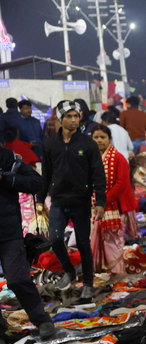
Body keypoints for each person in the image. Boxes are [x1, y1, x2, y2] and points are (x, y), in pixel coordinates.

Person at [40, 101, 107, 301]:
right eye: (68, 116)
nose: (73, 120)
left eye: (76, 116)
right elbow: (46, 174)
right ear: (61, 119)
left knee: (84, 244)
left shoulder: (88, 144)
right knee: (55, 239)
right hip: (58, 201)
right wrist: (39, 199)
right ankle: (69, 271)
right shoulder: (50, 144)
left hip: (81, 202)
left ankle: (88, 283)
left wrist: (100, 202)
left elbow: (98, 175)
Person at [0, 145, 57, 344]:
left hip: (9, 233)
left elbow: (35, 182)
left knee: (18, 278)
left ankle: (42, 321)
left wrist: (4, 179)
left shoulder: (7, 158)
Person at [89, 125, 137, 276]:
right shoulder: (90, 157)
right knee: (97, 240)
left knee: (113, 241)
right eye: (95, 137)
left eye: (102, 137)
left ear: (110, 139)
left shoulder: (118, 158)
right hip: (96, 206)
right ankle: (102, 270)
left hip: (115, 206)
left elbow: (121, 185)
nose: (99, 140)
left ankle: (117, 273)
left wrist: (102, 202)